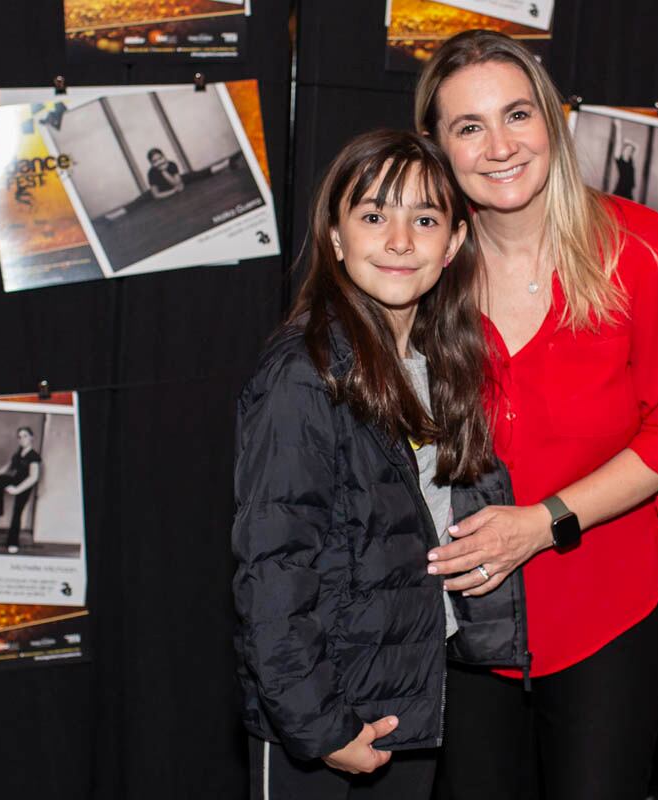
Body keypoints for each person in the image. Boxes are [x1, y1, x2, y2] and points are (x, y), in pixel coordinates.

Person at [414, 29, 658, 800]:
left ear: (553, 119)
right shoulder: (419, 269)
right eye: (469, 127)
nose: (500, 145)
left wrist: (540, 523)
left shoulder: (641, 248)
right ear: (439, 150)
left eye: (518, 115)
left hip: (607, 611)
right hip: (462, 624)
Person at [231, 130, 529, 800]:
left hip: (407, 695)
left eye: (424, 220)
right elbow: (272, 570)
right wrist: (319, 726)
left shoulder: (442, 364)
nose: (400, 241)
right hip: (324, 713)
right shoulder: (304, 376)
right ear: (336, 237)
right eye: (373, 216)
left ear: (453, 243)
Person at [0, 426, 42, 554]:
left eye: (25, 436)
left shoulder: (34, 456)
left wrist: (17, 490)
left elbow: (34, 477)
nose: (22, 439)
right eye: (19, 437)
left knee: (17, 513)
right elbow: (7, 467)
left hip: (25, 486)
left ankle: (13, 542)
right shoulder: (18, 453)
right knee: (0, 479)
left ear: (31, 437)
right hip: (16, 480)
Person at [611, 120, 637, 201]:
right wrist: (619, 127)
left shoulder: (631, 161)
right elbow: (618, 142)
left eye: (630, 150)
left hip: (629, 194)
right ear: (623, 150)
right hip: (620, 192)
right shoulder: (619, 160)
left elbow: (637, 147)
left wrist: (629, 142)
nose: (628, 151)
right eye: (626, 149)